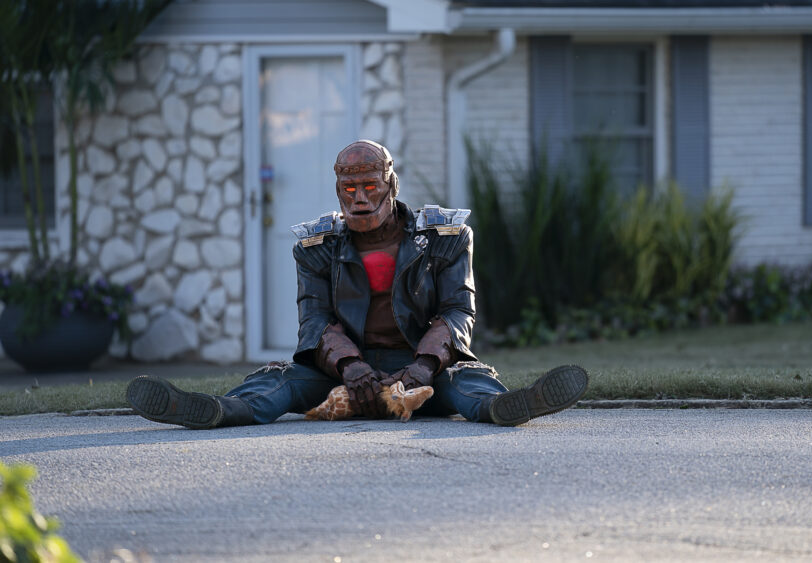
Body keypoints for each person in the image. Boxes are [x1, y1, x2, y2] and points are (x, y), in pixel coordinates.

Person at [127, 139, 588, 429]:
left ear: (391, 184)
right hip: (342, 369)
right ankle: (217, 411)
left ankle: (506, 408)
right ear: (337, 191)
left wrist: (423, 368)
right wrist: (351, 368)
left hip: (423, 367)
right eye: (349, 190)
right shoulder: (315, 246)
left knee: (465, 386)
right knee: (281, 384)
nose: (361, 199)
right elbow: (316, 320)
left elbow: (457, 312)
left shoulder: (446, 237)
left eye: (370, 186)